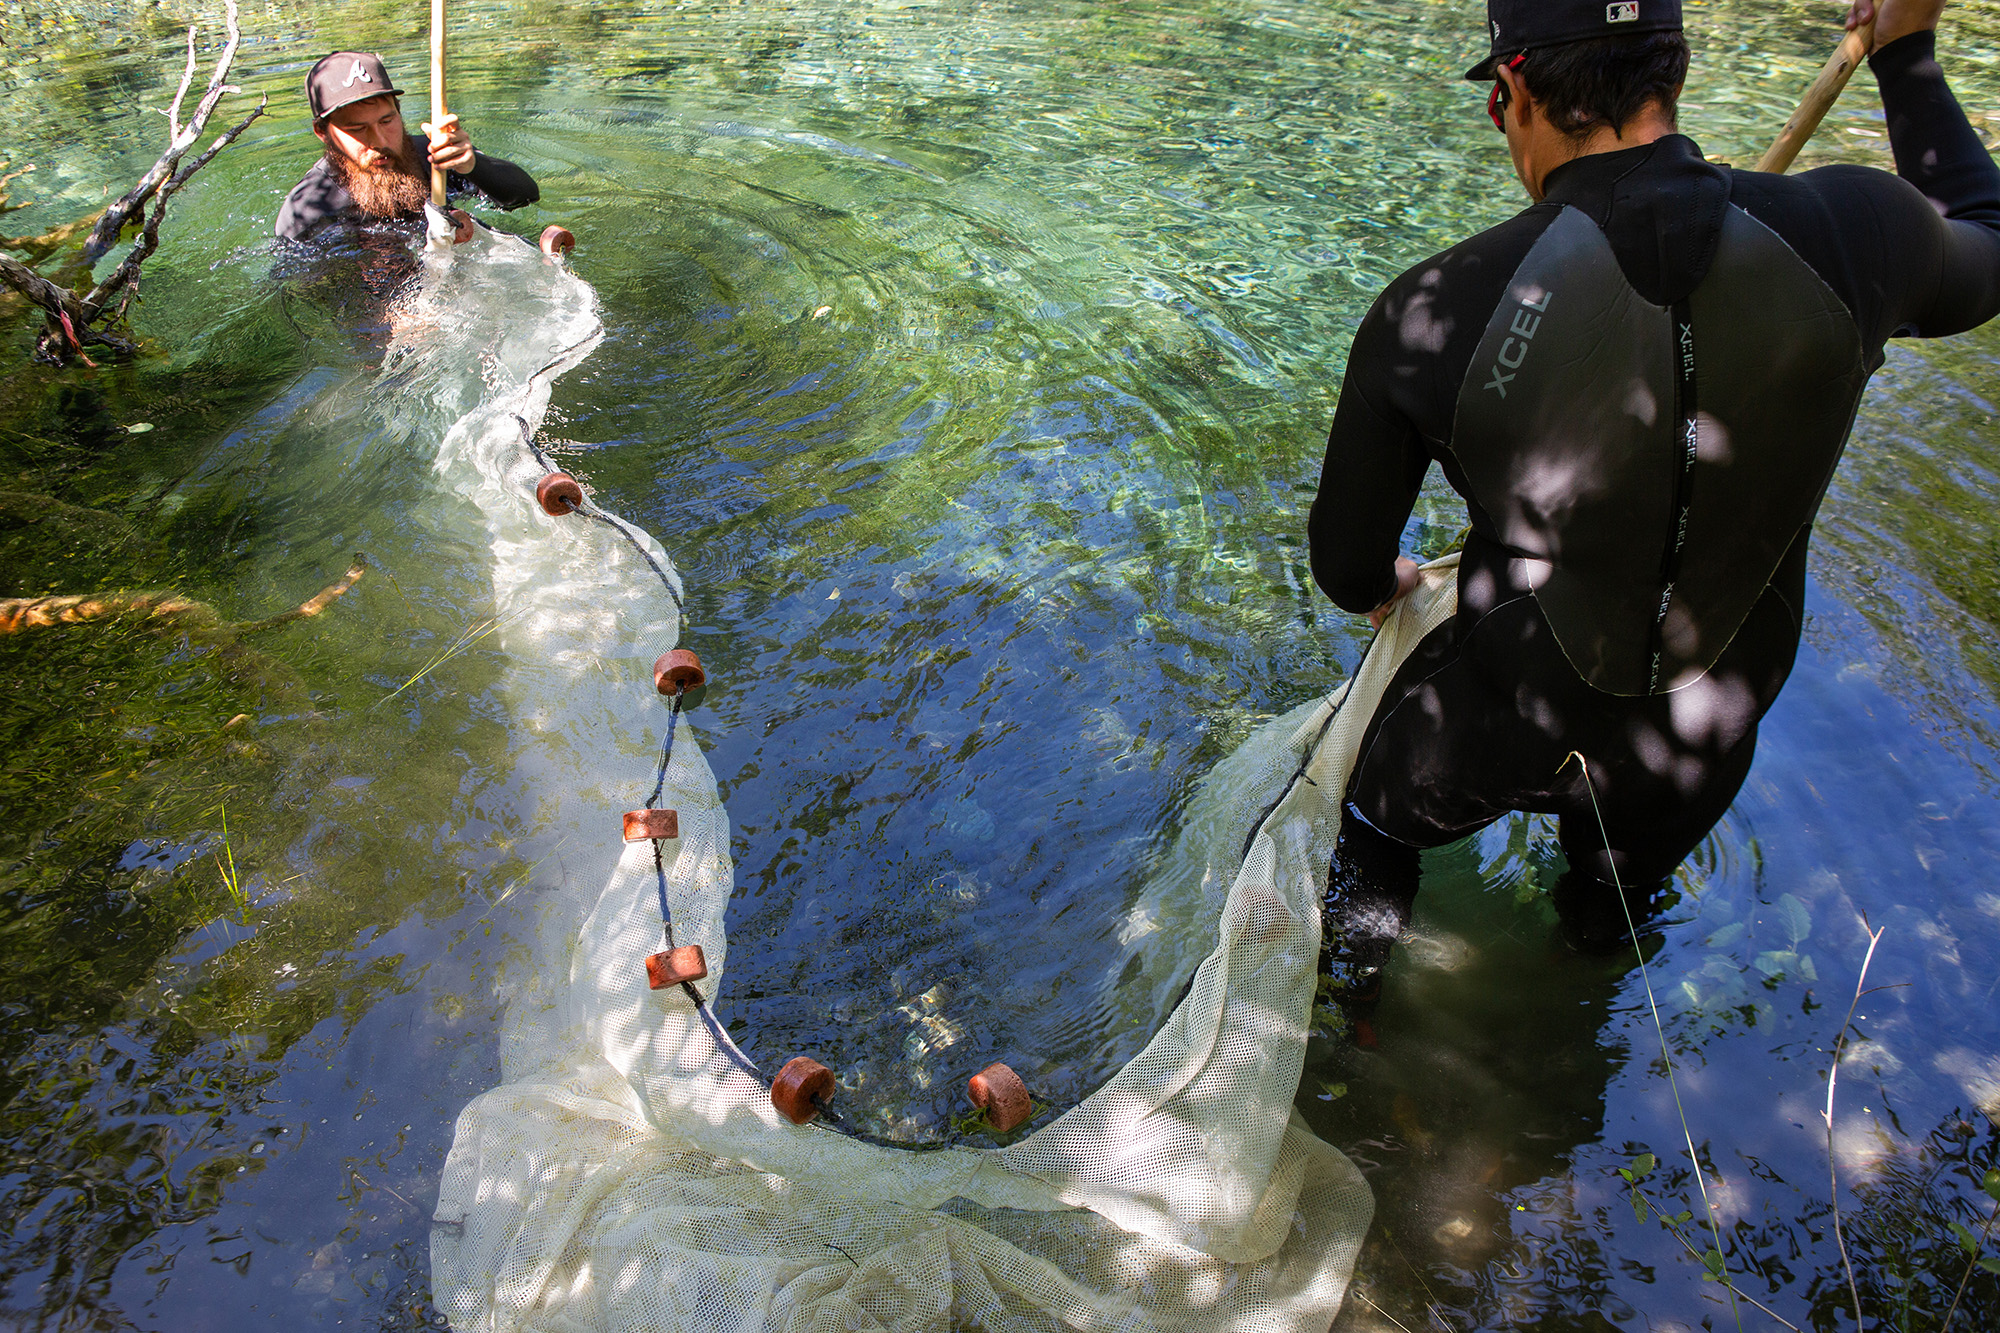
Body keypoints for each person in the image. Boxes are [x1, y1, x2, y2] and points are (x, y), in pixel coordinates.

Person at [1307, 0, 2000, 1021]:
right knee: (1608, 924)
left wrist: (1390, 586)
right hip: (1707, 723)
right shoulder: (1856, 232)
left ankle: (1358, 1037)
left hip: (1503, 708)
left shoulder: (1434, 306)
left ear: (1515, 89)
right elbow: (1985, 230)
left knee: (1377, 832)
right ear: (1667, 73)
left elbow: (1345, 565)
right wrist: (1904, 54)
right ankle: (1577, 1020)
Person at [275, 51, 539, 242]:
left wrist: (472, 165)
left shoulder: (434, 155)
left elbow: (524, 198)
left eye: (387, 120)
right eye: (357, 129)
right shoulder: (309, 208)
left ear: (399, 112)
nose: (379, 140)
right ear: (323, 133)